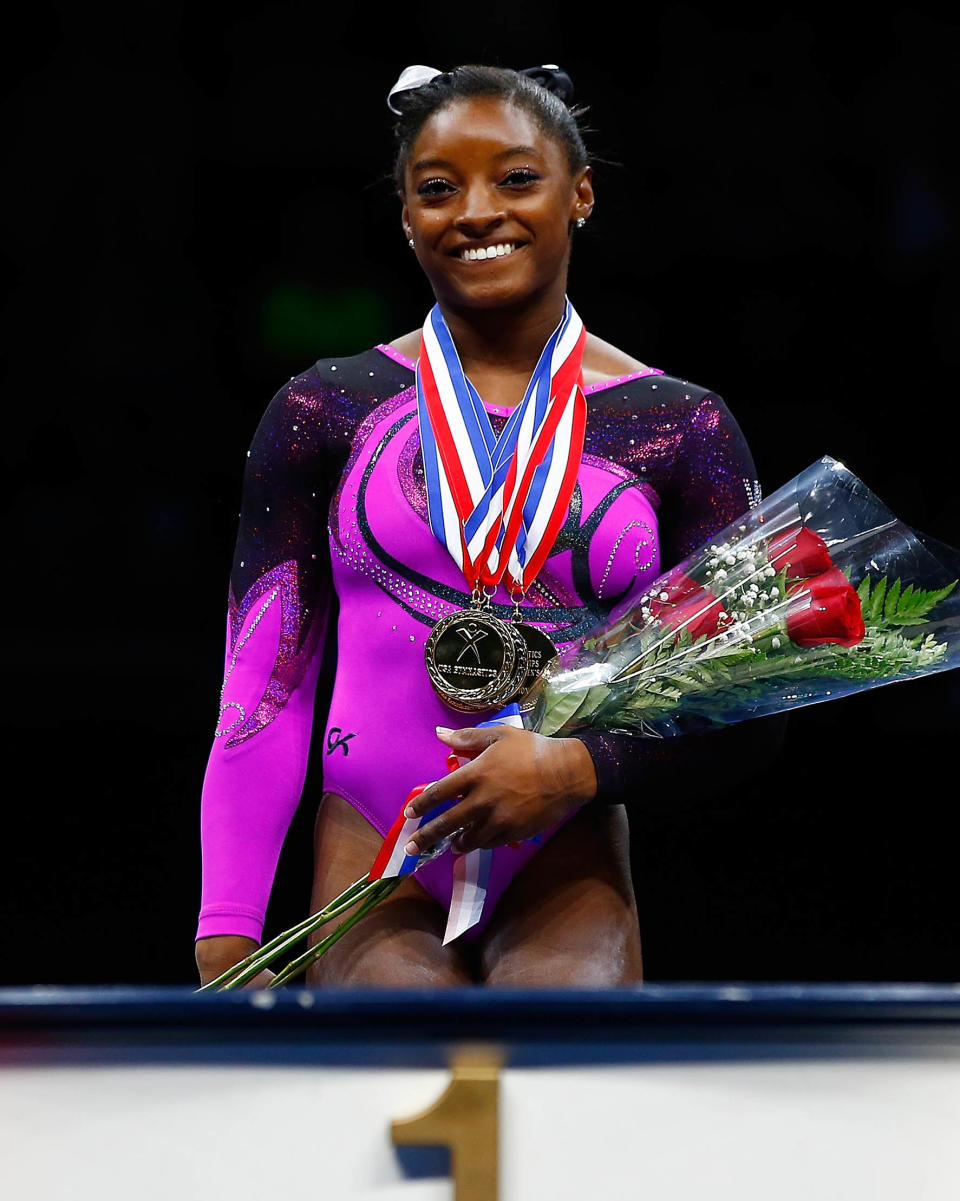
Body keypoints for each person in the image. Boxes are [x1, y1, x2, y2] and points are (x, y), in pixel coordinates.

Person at [195, 64, 778, 991]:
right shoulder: (326, 407)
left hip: (565, 850)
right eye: (436, 188)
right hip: (373, 852)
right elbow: (264, 680)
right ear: (403, 213)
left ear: (580, 193)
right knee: (405, 1078)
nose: (475, 212)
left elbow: (743, 697)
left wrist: (580, 769)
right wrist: (228, 924)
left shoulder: (681, 427)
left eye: (515, 178)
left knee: (553, 1078)